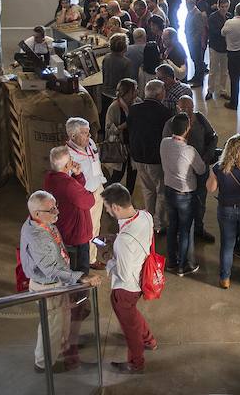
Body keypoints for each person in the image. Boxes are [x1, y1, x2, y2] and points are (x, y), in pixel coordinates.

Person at [20, 191, 101, 374]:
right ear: (37, 213)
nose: (57, 212)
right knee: (51, 328)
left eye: (56, 206)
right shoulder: (38, 237)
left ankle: (62, 350)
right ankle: (44, 364)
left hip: (57, 284)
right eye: (51, 209)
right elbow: (50, 269)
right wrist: (80, 276)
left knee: (60, 322)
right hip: (48, 287)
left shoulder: (42, 222)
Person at [100, 183, 156, 374]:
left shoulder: (124, 241)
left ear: (115, 207)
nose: (107, 211)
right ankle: (149, 339)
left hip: (126, 289)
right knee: (132, 316)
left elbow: (122, 273)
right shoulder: (145, 216)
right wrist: (115, 239)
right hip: (142, 279)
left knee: (130, 329)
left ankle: (135, 363)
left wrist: (108, 258)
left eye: (107, 208)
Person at [163, 96, 218, 244]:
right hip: (181, 178)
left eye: (190, 108)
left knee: (200, 203)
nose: (187, 112)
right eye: (183, 109)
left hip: (200, 170)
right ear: (177, 108)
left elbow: (213, 137)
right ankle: (182, 235)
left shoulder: (199, 118)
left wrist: (207, 156)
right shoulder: (171, 125)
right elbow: (168, 149)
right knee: (181, 210)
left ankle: (199, 229)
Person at [206, 134, 240, 288]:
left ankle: (225, 278)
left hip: (226, 209)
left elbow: (211, 188)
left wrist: (211, 174)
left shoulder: (218, 167)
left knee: (227, 244)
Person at [160, 112, 206, 276]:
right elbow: (201, 169)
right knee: (185, 230)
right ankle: (183, 265)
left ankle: (171, 262)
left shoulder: (164, 143)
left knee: (172, 226)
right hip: (185, 194)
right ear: (188, 129)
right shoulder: (189, 150)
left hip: (169, 190)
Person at [128, 80, 175, 235]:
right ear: (160, 94)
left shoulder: (134, 110)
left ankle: (148, 220)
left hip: (138, 157)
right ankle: (159, 224)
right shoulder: (166, 113)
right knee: (161, 192)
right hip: (156, 159)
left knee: (147, 191)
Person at [43, 146, 95, 273]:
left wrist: (77, 175)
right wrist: (89, 192)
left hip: (63, 231)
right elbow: (89, 201)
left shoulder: (50, 178)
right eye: (71, 159)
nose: (73, 160)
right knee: (81, 272)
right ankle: (81, 293)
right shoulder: (68, 184)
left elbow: (75, 193)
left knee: (67, 266)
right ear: (66, 166)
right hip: (76, 234)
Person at [65, 117, 107, 269]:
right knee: (86, 229)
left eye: (88, 132)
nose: (89, 136)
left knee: (96, 225)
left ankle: (93, 253)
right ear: (72, 136)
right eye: (84, 133)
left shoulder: (90, 143)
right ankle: (88, 261)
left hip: (97, 189)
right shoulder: (68, 155)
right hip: (85, 196)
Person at [105, 78, 140, 193]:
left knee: (133, 173)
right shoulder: (114, 107)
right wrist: (123, 126)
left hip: (133, 145)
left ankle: (129, 197)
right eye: (135, 89)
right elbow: (109, 129)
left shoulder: (138, 102)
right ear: (128, 91)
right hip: (120, 146)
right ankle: (107, 196)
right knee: (117, 175)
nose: (137, 92)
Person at [100, 34, 131, 130]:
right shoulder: (126, 62)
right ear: (125, 47)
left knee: (105, 116)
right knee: (116, 120)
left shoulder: (106, 58)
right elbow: (126, 82)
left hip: (105, 91)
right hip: (117, 96)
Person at [206, 0, 231, 101]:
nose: (224, 9)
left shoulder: (230, 16)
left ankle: (222, 90)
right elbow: (214, 32)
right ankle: (210, 91)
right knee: (213, 71)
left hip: (226, 48)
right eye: (222, 7)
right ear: (218, 6)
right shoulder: (212, 17)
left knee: (224, 71)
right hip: (215, 47)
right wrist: (225, 32)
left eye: (226, 6)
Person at [183, 0, 207, 85]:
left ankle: (199, 80)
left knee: (198, 60)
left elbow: (200, 29)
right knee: (194, 59)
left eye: (188, 3)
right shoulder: (190, 12)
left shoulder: (197, 14)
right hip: (190, 41)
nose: (187, 5)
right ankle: (196, 76)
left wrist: (193, 40)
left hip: (195, 42)